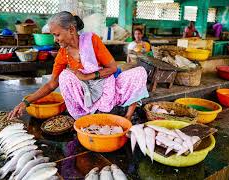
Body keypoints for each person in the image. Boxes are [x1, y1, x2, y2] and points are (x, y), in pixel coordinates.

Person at [8, 11, 149, 120]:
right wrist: (26, 102)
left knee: (139, 73)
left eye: (57, 35)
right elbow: (52, 84)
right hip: (86, 92)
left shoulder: (91, 40)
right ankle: (86, 115)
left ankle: (122, 114)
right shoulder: (63, 54)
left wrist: (88, 76)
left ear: (71, 30)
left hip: (107, 86)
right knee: (65, 77)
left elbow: (112, 68)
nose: (55, 40)